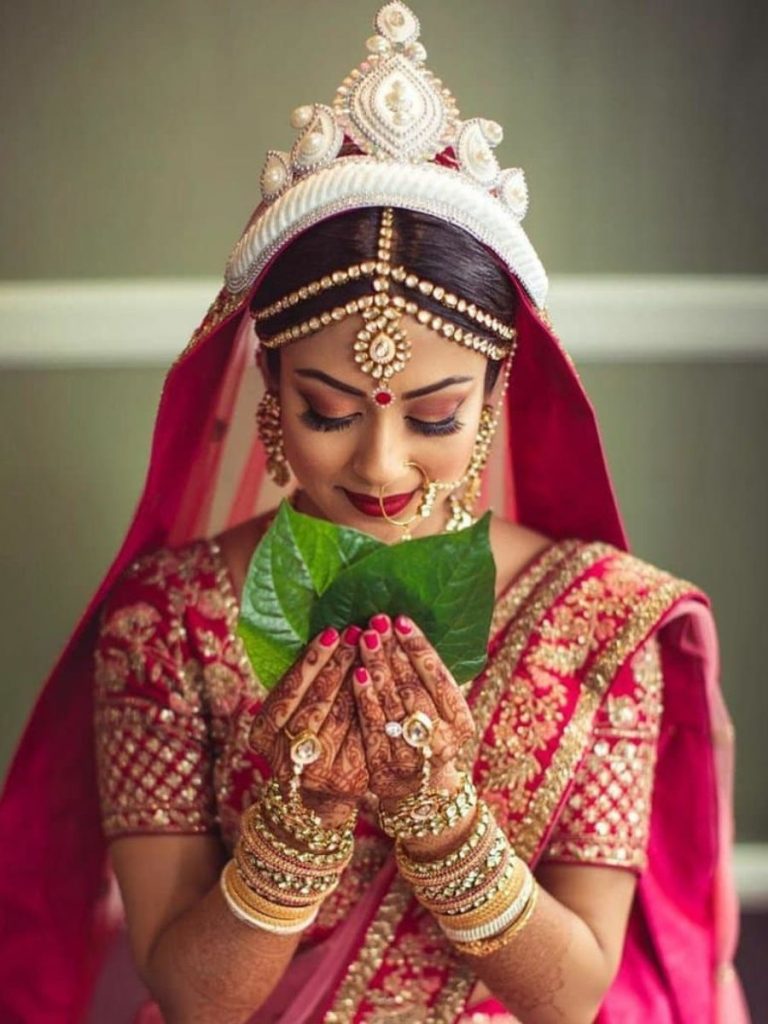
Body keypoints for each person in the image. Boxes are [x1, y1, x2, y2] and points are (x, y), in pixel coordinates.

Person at [0, 3, 750, 1022]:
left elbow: (575, 994)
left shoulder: (599, 623)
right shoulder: (167, 622)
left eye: (436, 415)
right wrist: (293, 834)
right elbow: (188, 993)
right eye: (327, 411)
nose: (382, 460)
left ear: (495, 395)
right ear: (267, 390)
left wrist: (445, 825)